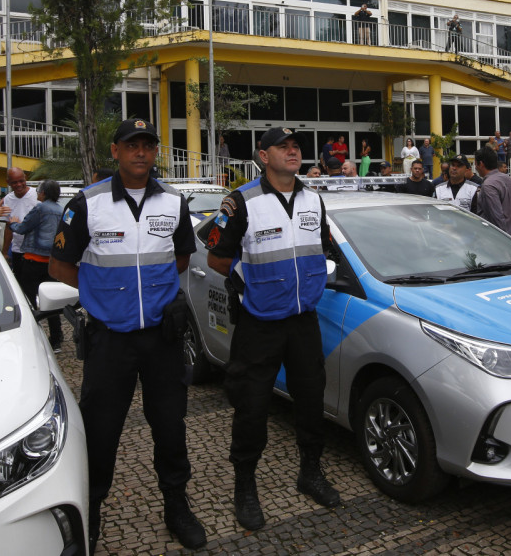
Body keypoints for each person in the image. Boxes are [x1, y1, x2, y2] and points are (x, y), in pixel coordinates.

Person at [48, 118, 205, 551]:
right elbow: (60, 267)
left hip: (161, 338)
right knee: (101, 431)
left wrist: (151, 296)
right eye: (131, 145)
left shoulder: (174, 202)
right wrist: (104, 300)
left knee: (170, 427)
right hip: (110, 340)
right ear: (114, 151)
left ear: (156, 153)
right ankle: (92, 509)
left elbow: (180, 259)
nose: (141, 152)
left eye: (148, 146)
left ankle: (177, 505)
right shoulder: (87, 203)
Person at [204, 127, 342, 531]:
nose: (293, 151)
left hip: (303, 321)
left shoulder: (313, 198)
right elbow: (216, 257)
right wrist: (251, 286)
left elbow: (323, 247)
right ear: (264, 156)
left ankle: (310, 472)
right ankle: (245, 487)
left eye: (296, 145)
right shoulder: (240, 201)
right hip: (259, 323)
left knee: (311, 399)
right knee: (252, 407)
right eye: (283, 146)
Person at [10, 179, 64, 351]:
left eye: (39, 191)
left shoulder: (40, 208)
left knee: (29, 300)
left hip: (32, 259)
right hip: (51, 262)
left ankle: (32, 337)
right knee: (51, 302)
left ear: (44, 193)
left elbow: (22, 228)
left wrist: (12, 221)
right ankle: (56, 339)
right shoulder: (60, 210)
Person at [0, 167, 38, 279]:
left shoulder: (37, 194)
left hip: (36, 250)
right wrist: (5, 252)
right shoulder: (7, 199)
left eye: (21, 181)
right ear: (8, 183)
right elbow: (8, 227)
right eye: (14, 182)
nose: (19, 184)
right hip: (17, 249)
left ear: (25, 178)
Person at [473, 146, 511, 235]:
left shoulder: (488, 186)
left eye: (475, 164)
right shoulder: (508, 179)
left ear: (481, 164)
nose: (475, 167)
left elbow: (497, 219)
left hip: (497, 240)